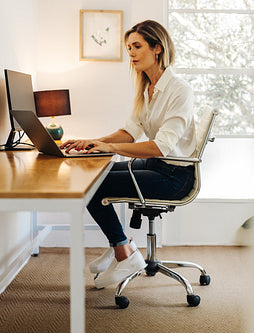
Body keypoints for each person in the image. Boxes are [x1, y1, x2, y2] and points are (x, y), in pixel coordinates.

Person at [60, 20, 197, 289]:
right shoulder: (147, 89)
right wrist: (92, 142)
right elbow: (130, 132)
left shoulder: (179, 90)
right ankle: (120, 246)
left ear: (157, 48)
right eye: (128, 48)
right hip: (157, 166)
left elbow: (160, 146)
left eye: (137, 46)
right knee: (94, 174)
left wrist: (110, 148)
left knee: (93, 185)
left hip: (175, 177)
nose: (131, 53)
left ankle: (124, 251)